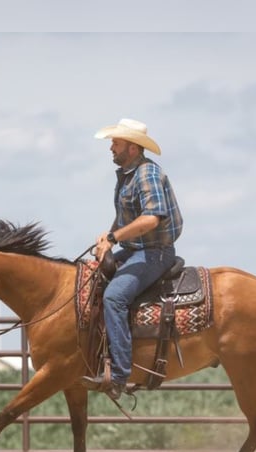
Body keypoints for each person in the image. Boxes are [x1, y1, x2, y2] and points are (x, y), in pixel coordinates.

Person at [81, 118, 183, 399]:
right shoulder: (129, 174)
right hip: (138, 249)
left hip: (155, 252)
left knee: (114, 297)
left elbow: (151, 218)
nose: (111, 148)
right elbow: (128, 216)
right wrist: (108, 236)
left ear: (133, 148)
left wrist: (114, 239)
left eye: (116, 142)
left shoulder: (147, 174)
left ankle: (119, 374)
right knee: (91, 278)